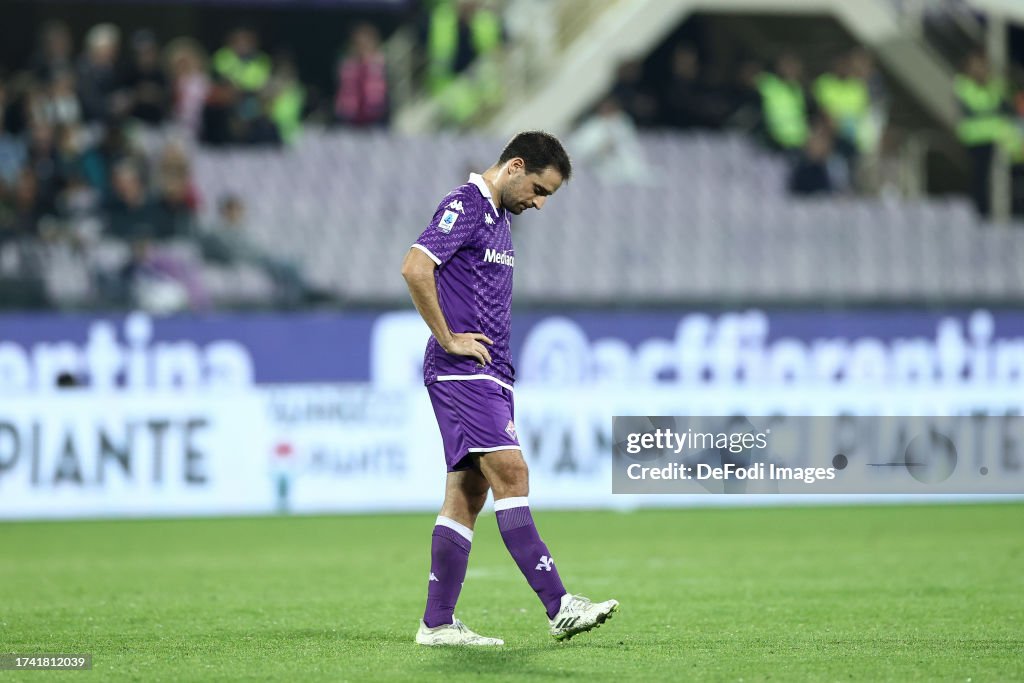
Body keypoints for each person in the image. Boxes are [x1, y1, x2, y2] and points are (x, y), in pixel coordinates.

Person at [400, 131, 619, 647]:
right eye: (539, 190)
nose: (539, 204)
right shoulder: (467, 204)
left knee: (468, 493)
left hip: (492, 372)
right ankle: (559, 604)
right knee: (512, 471)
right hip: (464, 371)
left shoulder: (498, 217)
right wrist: (448, 337)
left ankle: (436, 624)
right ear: (515, 166)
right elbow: (415, 267)